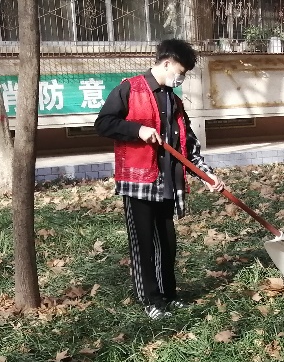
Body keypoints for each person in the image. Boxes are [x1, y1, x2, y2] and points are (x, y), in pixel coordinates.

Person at [95, 39, 226, 320]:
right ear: (167, 63)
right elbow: (103, 123)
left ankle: (169, 295)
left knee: (166, 243)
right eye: (181, 71)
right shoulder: (130, 89)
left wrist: (206, 175)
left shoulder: (173, 100)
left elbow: (188, 143)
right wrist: (137, 130)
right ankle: (151, 300)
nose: (182, 78)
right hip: (139, 184)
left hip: (167, 183)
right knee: (143, 244)